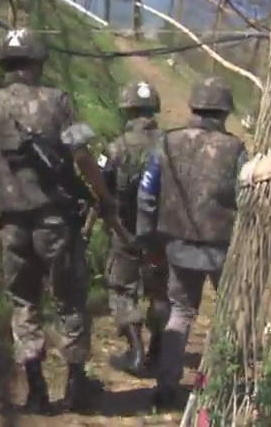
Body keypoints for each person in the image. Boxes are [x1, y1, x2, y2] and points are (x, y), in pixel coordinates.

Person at [0, 27, 118, 414]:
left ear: (3, 63)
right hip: (56, 221)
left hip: (10, 223)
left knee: (24, 302)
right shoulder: (58, 101)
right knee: (70, 300)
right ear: (38, 63)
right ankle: (76, 387)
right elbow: (83, 156)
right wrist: (104, 196)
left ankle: (36, 390)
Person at [135, 76, 247, 409]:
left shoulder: (166, 143)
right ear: (225, 112)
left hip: (177, 244)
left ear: (193, 106)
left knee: (181, 312)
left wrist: (148, 239)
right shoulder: (235, 149)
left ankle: (166, 387)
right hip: (223, 246)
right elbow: (248, 196)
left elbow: (146, 194)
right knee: (230, 314)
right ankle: (220, 386)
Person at [97, 81, 169, 377]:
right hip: (162, 234)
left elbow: (100, 187)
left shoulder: (114, 148)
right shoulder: (171, 145)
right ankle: (157, 351)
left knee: (120, 290)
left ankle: (135, 349)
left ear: (126, 110)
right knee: (160, 294)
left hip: (124, 231)